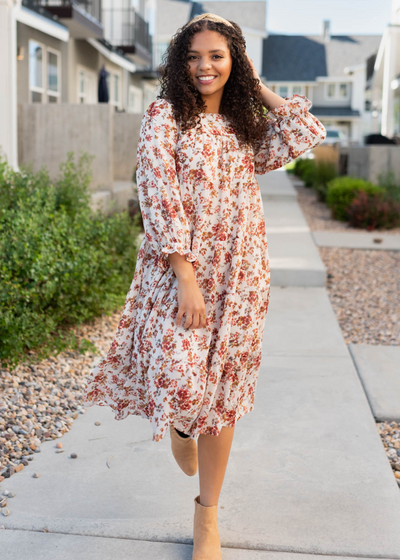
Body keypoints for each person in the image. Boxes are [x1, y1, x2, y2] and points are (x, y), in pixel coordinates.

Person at [83, 12, 326, 560]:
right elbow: (159, 194)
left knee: (223, 393)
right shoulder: (164, 116)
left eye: (217, 55)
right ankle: (180, 425)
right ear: (179, 63)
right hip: (180, 272)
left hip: (240, 271)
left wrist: (253, 83)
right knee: (179, 371)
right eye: (193, 56)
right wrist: (185, 277)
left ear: (234, 60)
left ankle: (207, 517)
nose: (204, 66)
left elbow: (305, 130)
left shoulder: (245, 126)